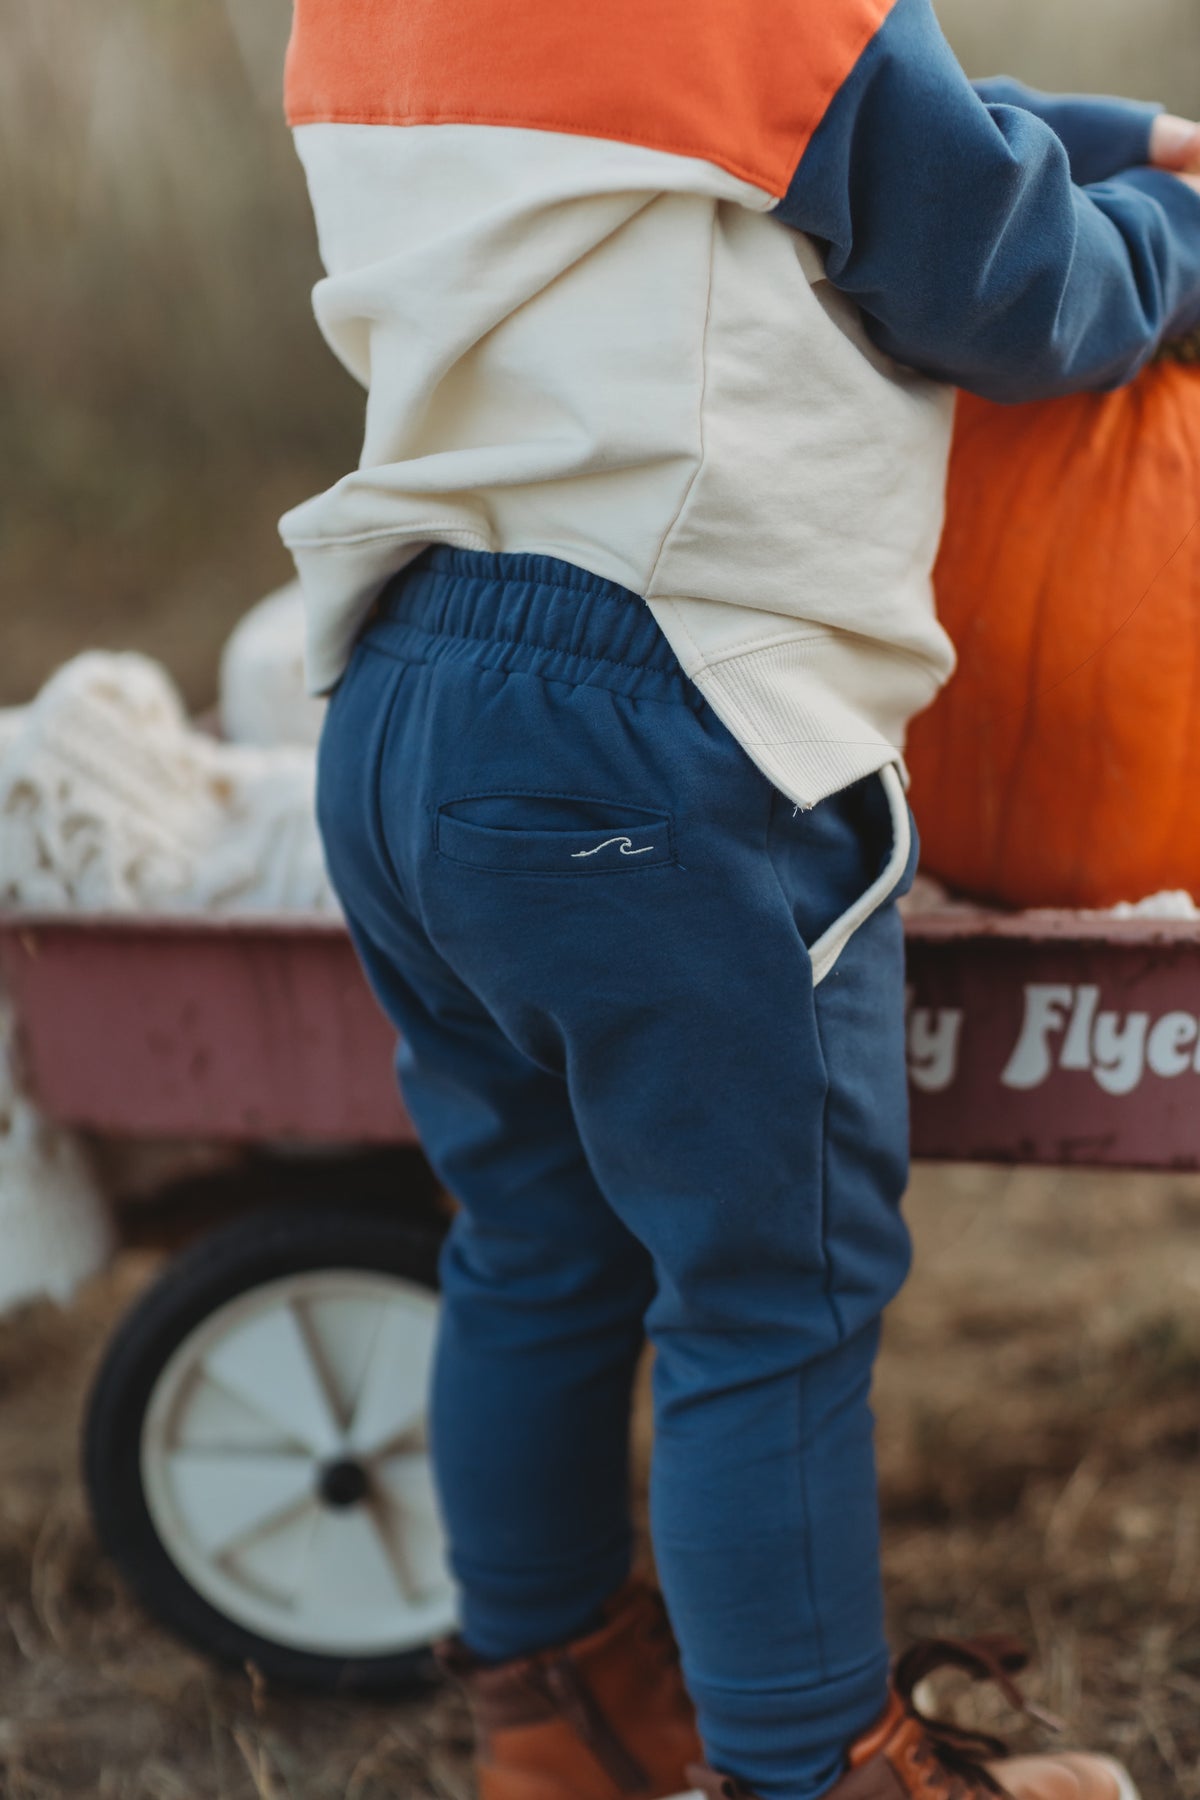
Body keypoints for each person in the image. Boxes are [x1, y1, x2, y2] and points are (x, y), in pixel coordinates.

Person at [279, 3, 1200, 1796]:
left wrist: (1108, 130)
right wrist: (1178, 237)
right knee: (769, 1288)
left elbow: (795, 141)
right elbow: (1014, 287)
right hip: (670, 707)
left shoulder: (362, 19)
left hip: (400, 701)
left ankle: (554, 1710)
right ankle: (818, 1768)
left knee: (533, 1245)